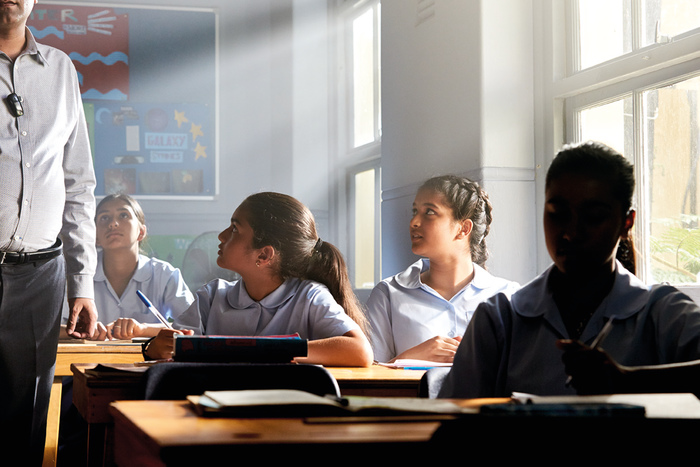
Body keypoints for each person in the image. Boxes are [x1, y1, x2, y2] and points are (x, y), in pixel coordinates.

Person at [438, 141, 700, 398]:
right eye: (557, 213)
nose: (571, 233)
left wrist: (627, 380)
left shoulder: (662, 314)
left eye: (594, 217)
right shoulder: (500, 319)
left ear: (626, 223)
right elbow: (453, 422)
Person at [0, 0, 98, 462]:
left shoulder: (60, 69)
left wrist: (82, 282)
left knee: (27, 421)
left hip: (41, 275)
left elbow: (79, 183)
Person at [142, 192, 374, 367]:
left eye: (234, 229)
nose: (221, 236)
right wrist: (155, 348)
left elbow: (360, 351)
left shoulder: (309, 296)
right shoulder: (212, 296)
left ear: (264, 255)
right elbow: (169, 348)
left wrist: (264, 351)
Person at [366, 175, 519, 363]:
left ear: (463, 228)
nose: (414, 222)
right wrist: (409, 358)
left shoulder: (508, 296)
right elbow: (370, 379)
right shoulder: (388, 294)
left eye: (429, 212)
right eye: (415, 211)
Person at [88, 193, 194, 340]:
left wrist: (142, 329)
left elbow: (192, 328)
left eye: (123, 215)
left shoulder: (165, 275)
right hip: (89, 361)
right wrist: (83, 331)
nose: (113, 224)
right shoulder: (79, 276)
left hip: (150, 361)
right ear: (95, 236)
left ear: (141, 232)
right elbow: (49, 328)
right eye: (104, 218)